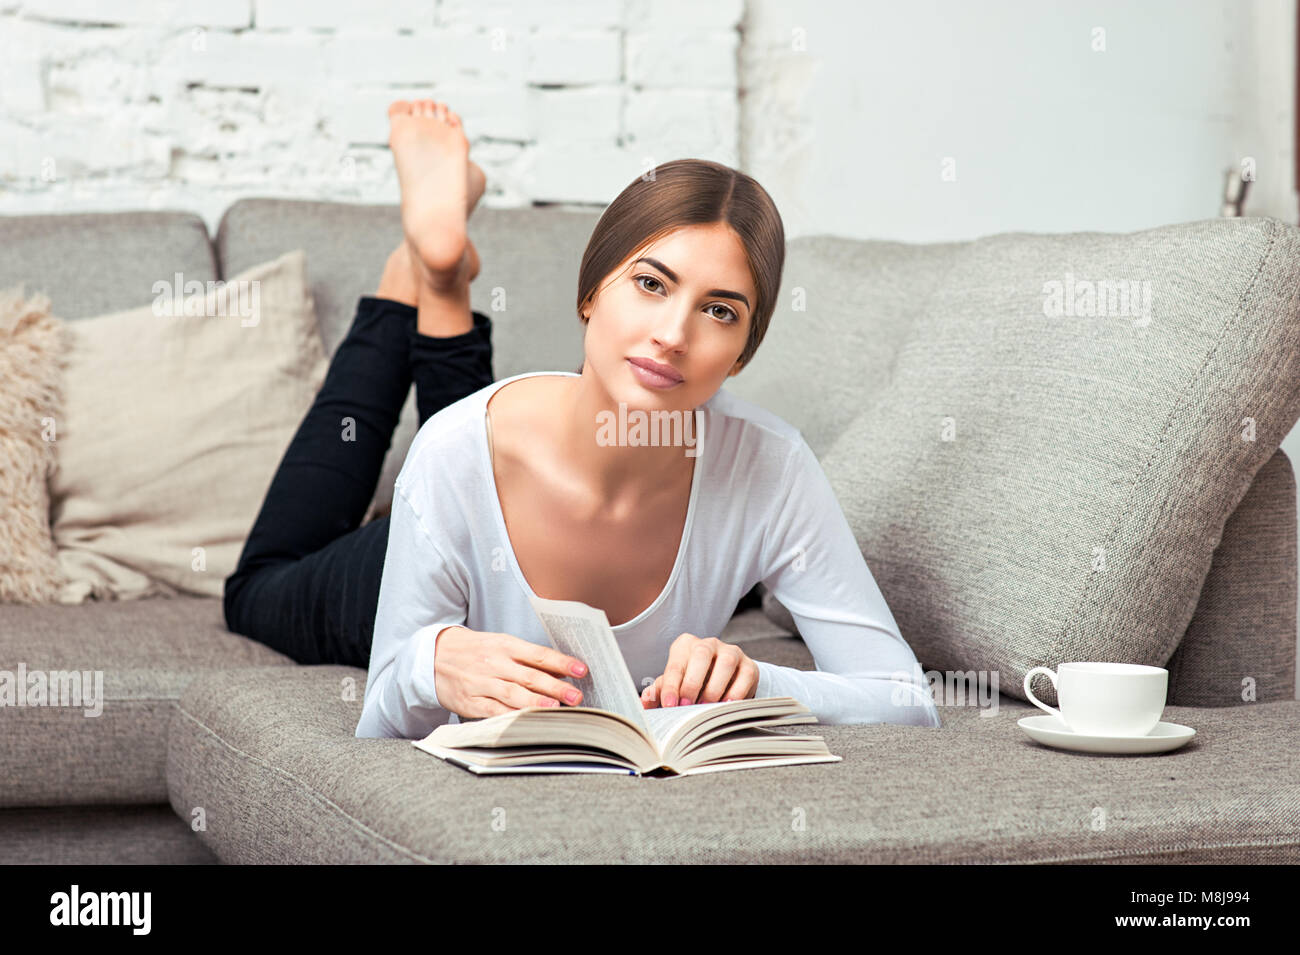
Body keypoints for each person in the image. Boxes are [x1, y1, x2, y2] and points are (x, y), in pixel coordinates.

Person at [222, 99, 941, 740]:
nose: (673, 334)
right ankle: (420, 275)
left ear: (744, 352)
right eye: (651, 283)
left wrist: (761, 681)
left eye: (720, 310)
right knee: (256, 587)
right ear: (590, 292)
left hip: (500, 471)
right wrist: (428, 662)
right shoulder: (452, 457)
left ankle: (442, 273)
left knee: (476, 448)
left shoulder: (771, 468)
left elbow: (907, 699)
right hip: (418, 552)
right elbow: (383, 710)